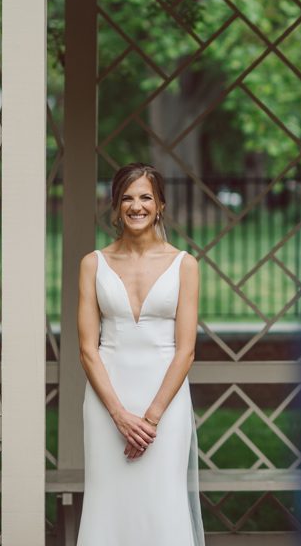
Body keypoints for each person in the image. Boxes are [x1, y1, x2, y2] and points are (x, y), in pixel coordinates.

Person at [77, 162, 206, 545]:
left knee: (161, 503)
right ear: (115, 207)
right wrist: (119, 416)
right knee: (107, 503)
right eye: (127, 198)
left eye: (145, 197)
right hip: (107, 404)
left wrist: (149, 420)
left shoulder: (185, 265)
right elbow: (88, 349)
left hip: (164, 406)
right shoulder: (93, 264)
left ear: (160, 205)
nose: (137, 206)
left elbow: (186, 351)